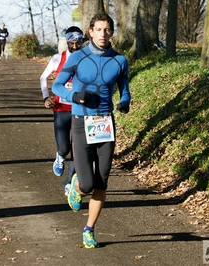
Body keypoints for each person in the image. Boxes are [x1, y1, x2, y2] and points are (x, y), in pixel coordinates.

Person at [52, 12, 131, 249]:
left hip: (106, 124)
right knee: (86, 185)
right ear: (91, 31)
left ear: (112, 32)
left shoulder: (120, 60)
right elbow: (57, 85)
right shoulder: (77, 57)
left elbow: (125, 89)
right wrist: (74, 95)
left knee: (102, 182)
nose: (103, 34)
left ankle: (89, 229)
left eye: (107, 30)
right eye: (99, 29)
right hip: (81, 121)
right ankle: (76, 188)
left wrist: (125, 101)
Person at [40, 26, 84, 195]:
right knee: (65, 148)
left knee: (78, 148)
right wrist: (46, 97)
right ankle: (60, 156)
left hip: (80, 108)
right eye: (72, 43)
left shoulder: (86, 58)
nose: (75, 46)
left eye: (78, 43)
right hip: (61, 108)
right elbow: (43, 77)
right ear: (67, 42)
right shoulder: (58, 58)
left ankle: (69, 182)